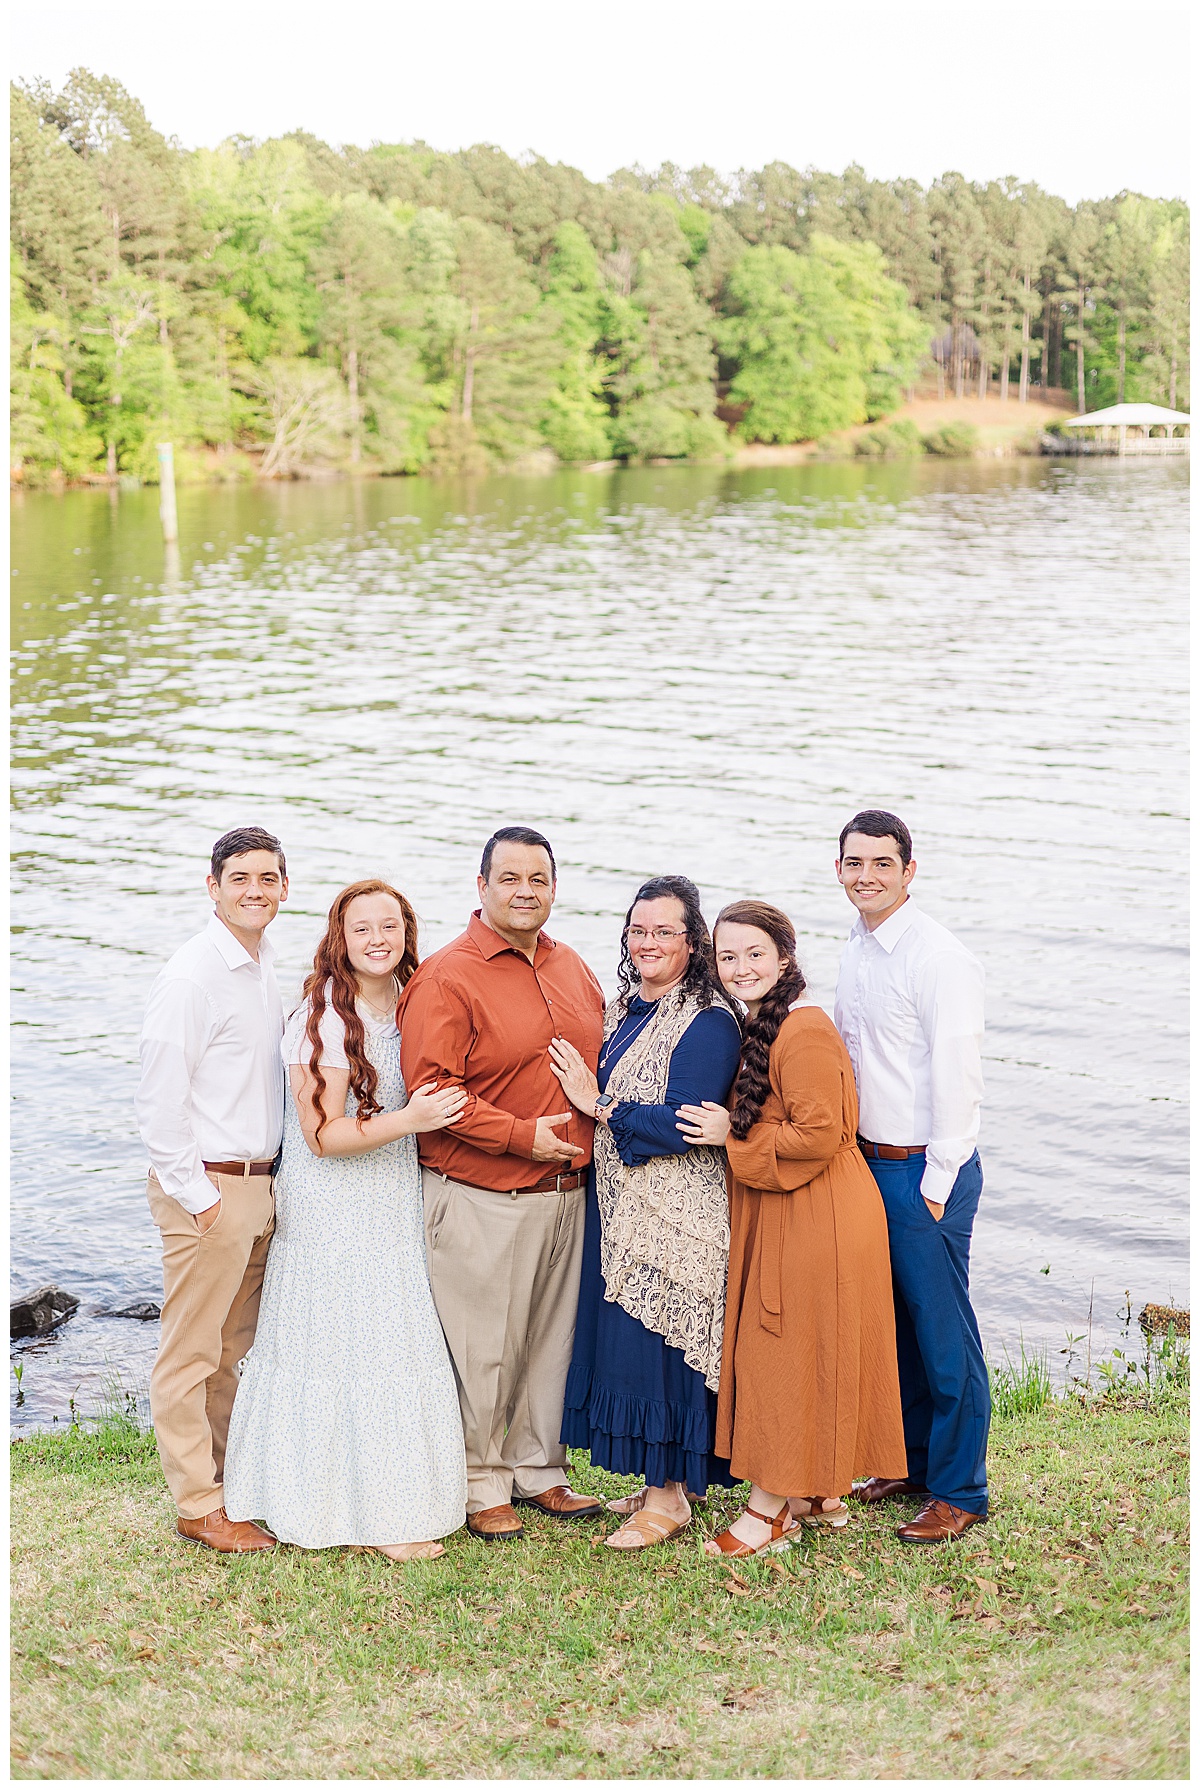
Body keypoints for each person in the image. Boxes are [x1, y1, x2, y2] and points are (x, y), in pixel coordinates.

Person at [223, 880, 469, 1561]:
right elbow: (322, 1138)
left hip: (391, 1194)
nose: (378, 938)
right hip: (333, 1201)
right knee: (341, 1344)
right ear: (341, 936)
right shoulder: (326, 1012)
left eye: (390, 924)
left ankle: (390, 1500)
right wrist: (413, 1120)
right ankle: (345, 1509)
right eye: (362, 928)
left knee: (392, 1341)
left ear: (407, 930)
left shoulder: (413, 998)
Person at [675, 901, 907, 1559]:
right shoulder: (767, 1021)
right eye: (727, 957)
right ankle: (815, 1491)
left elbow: (819, 1132)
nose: (740, 967)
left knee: (784, 1351)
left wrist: (733, 1135)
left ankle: (767, 1512)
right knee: (809, 1349)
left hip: (817, 1215)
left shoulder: (801, 1030)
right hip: (800, 1207)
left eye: (754, 954)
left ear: (784, 955)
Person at [397, 827, 607, 1541]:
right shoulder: (447, 976)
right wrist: (523, 1138)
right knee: (482, 1346)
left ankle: (538, 1468)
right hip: (485, 1195)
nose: (526, 890)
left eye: (539, 878)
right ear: (481, 886)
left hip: (568, 1195)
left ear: (553, 887)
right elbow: (432, 1090)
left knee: (550, 1342)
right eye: (510, 877)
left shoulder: (574, 967)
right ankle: (479, 1480)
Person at [549, 875, 742, 1550]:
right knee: (630, 1347)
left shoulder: (710, 1020)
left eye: (665, 931)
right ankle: (664, 1481)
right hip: (621, 1204)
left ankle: (670, 1502)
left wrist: (594, 1101)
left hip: (678, 1216)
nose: (649, 942)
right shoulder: (628, 1007)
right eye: (639, 930)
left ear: (694, 941)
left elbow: (684, 1123)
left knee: (662, 1350)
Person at [833, 810, 989, 1545]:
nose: (866, 876)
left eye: (881, 864)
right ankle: (917, 1465)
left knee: (945, 1335)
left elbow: (959, 1074)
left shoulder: (938, 958)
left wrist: (939, 1179)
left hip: (926, 1168)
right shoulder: (856, 949)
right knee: (897, 1332)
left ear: (908, 871)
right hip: (869, 1162)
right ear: (840, 870)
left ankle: (960, 1491)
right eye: (854, 863)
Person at [135, 826, 289, 1552]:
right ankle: (198, 1503)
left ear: (284, 889)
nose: (254, 890)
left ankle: (227, 1484)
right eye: (240, 878)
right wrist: (199, 1198)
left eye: (267, 878)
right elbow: (159, 1104)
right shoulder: (192, 974)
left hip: (259, 1188)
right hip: (211, 1191)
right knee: (190, 1354)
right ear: (213, 887)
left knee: (233, 1351)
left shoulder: (264, 969)